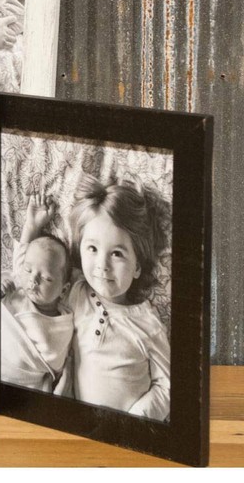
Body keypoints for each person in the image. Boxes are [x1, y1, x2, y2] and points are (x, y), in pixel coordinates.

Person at [25, 175, 171, 420]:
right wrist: (32, 229)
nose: (102, 265)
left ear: (137, 267)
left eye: (117, 253)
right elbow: (31, 276)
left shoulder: (148, 323)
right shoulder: (73, 291)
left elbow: (167, 385)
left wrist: (134, 421)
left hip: (126, 431)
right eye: (92, 248)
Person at [0, 193, 73, 393]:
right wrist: (32, 225)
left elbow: (56, 363)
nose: (33, 280)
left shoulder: (61, 324)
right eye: (29, 270)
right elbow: (22, 258)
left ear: (64, 290)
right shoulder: (18, 284)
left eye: (47, 278)